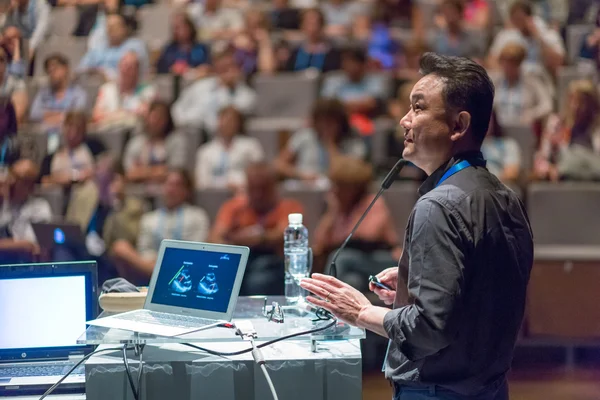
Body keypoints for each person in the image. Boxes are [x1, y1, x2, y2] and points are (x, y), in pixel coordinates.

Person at [300, 53, 534, 400]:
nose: (403, 120)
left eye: (418, 108)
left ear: (458, 125)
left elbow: (429, 329)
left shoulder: (437, 205)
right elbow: (481, 298)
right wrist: (417, 286)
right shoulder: (505, 196)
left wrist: (362, 312)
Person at [209, 162, 303, 295]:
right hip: (241, 260)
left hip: (274, 264)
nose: (258, 194)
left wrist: (260, 237)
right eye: (253, 188)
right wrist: (240, 240)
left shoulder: (289, 207)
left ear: (274, 187)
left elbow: (283, 234)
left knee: (259, 280)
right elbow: (215, 237)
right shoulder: (233, 206)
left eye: (263, 188)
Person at [313, 155, 400, 292]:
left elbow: (367, 234)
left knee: (341, 258)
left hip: (381, 259)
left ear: (353, 187)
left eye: (340, 186)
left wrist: (340, 212)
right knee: (353, 280)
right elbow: (319, 242)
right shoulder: (338, 207)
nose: (334, 190)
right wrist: (332, 213)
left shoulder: (373, 202)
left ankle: (325, 297)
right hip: (355, 265)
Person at [111, 169, 209, 284]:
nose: (171, 189)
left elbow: (198, 250)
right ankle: (160, 275)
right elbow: (145, 250)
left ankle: (164, 276)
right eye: (167, 184)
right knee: (120, 247)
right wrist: (154, 263)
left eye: (177, 185)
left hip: (186, 269)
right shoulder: (149, 218)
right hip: (151, 267)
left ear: (186, 190)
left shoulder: (197, 216)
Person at [534, 79, 600, 181]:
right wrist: (550, 169)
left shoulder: (597, 128)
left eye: (582, 102)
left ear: (592, 105)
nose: (575, 106)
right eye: (572, 100)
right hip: (564, 181)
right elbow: (541, 160)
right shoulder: (556, 124)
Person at [195, 106, 264, 190]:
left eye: (231, 120)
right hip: (214, 195)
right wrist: (224, 185)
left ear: (238, 124)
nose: (227, 124)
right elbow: (202, 182)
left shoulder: (251, 146)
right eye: (224, 120)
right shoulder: (205, 151)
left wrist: (239, 185)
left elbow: (259, 175)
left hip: (243, 192)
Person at [29, 53, 88, 150]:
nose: (51, 72)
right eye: (49, 70)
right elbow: (34, 114)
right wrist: (63, 116)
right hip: (45, 137)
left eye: (55, 68)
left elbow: (76, 117)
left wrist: (49, 116)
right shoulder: (43, 93)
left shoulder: (78, 93)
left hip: (70, 139)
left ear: (66, 69)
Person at [0, 159, 52, 263]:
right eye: (11, 174)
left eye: (18, 178)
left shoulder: (40, 208)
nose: (11, 181)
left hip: (23, 265)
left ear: (30, 186)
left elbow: (29, 246)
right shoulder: (3, 202)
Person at [123, 100, 187, 183]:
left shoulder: (176, 141)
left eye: (160, 118)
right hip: (138, 191)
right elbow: (130, 174)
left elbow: (175, 172)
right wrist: (157, 171)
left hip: (167, 190)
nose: (156, 121)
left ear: (167, 120)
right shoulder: (136, 143)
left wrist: (141, 172)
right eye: (153, 117)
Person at [491, 42, 552, 127]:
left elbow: (547, 106)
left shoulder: (531, 81)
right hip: (499, 130)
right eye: (504, 63)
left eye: (511, 64)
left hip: (522, 128)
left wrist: (532, 114)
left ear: (519, 64)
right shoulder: (495, 81)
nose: (507, 68)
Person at [156, 12, 211, 78]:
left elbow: (207, 67)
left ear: (189, 28)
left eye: (178, 28)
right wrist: (173, 69)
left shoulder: (201, 48)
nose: (175, 31)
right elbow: (160, 69)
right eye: (174, 28)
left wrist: (198, 70)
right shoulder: (169, 49)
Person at [481, 110, 522, 182]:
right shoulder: (467, 146)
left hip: (499, 187)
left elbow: (512, 172)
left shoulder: (508, 144)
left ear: (494, 120)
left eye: (486, 119)